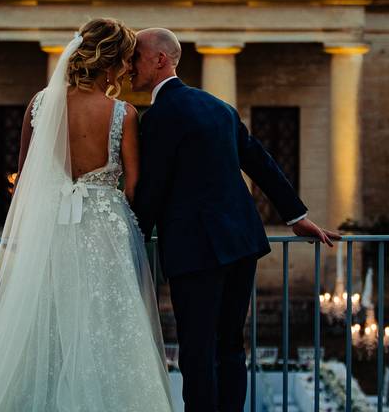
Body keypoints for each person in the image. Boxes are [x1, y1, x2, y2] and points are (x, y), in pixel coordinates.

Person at [0, 19, 173, 412]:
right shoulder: (123, 114)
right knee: (108, 323)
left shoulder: (40, 104)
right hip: (104, 230)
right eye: (124, 60)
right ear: (111, 62)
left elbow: (23, 178)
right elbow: (135, 185)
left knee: (45, 323)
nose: (126, 69)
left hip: (50, 228)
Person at [130, 27, 340, 412]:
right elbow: (260, 161)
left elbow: (153, 190)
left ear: (160, 59)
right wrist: (297, 216)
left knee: (197, 350)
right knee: (230, 345)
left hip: (196, 250)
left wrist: (129, 241)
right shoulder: (219, 107)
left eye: (135, 57)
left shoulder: (159, 116)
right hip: (242, 243)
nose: (129, 67)